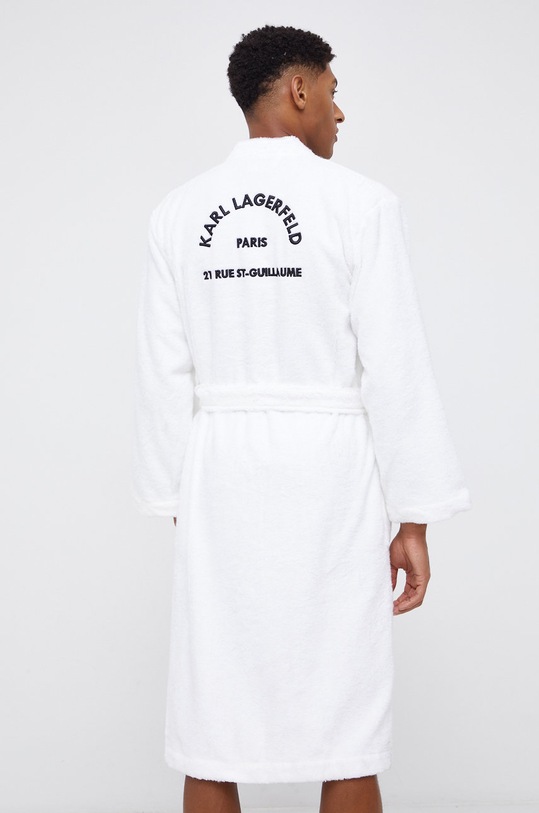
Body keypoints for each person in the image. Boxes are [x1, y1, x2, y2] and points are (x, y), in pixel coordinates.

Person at [131, 24, 471, 813]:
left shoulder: (178, 213)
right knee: (343, 710)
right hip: (330, 473)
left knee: (212, 711)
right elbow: (395, 363)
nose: (339, 112)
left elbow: (162, 369)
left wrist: (177, 495)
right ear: (298, 89)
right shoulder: (360, 205)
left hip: (220, 468)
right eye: (332, 91)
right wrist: (413, 513)